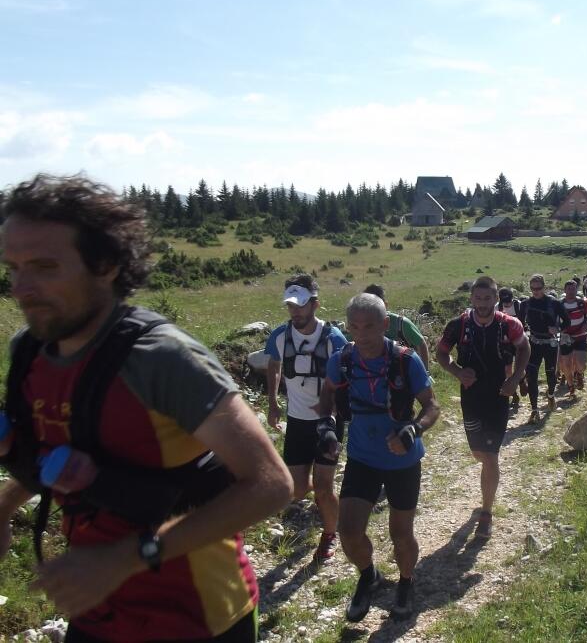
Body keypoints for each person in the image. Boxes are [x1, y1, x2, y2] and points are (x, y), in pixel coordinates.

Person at [0, 174, 292, 642]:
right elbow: (68, 446)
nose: (21, 288)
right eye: (13, 268)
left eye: (44, 266)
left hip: (198, 617)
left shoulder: (161, 360)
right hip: (95, 611)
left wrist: (124, 559)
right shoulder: (32, 352)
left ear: (106, 264)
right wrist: (8, 501)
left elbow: (271, 484)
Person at [317, 293, 439, 622]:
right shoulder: (342, 360)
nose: (362, 334)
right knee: (349, 531)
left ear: (385, 325)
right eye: (354, 326)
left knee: (401, 534)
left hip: (403, 460)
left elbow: (431, 406)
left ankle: (406, 581)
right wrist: (327, 428)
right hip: (362, 457)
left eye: (370, 326)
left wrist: (412, 431)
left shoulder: (405, 360)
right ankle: (369, 576)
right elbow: (328, 393)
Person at [436, 276, 529, 540]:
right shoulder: (458, 325)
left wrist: (515, 379)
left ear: (496, 299)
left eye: (488, 298)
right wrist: (456, 371)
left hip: (499, 396)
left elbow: (524, 348)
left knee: (489, 456)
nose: (483, 303)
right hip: (471, 398)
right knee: (478, 453)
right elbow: (441, 353)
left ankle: (486, 513)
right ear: (471, 299)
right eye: (478, 298)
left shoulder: (509, 324)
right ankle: (486, 491)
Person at [265, 275, 348, 563]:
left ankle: (329, 534)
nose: (295, 311)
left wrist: (336, 415)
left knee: (324, 489)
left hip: (328, 421)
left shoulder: (334, 338)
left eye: (300, 305)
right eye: (291, 306)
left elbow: (344, 379)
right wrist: (273, 402)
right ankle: (321, 492)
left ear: (315, 304)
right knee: (297, 489)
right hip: (297, 421)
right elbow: (274, 365)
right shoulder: (279, 336)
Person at [518, 275, 569, 422]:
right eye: (533, 288)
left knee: (550, 374)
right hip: (533, 342)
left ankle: (551, 395)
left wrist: (557, 328)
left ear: (544, 287)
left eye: (538, 288)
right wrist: (522, 335)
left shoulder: (554, 303)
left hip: (550, 343)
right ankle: (534, 410)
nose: (535, 291)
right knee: (531, 375)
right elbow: (519, 323)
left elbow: (567, 321)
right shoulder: (525, 304)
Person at [362, 283, 431, 367]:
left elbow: (421, 343)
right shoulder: (360, 327)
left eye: (376, 307)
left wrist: (425, 371)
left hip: (405, 370)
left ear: (385, 305)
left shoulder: (401, 324)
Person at [560, 279, 587, 394]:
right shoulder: (559, 304)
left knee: (581, 364)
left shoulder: (582, 303)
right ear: (565, 290)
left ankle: (579, 374)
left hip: (580, 336)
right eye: (569, 289)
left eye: (573, 289)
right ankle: (571, 386)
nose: (571, 291)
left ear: (576, 290)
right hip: (565, 337)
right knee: (566, 364)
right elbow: (552, 317)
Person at [496, 287, 524, 408]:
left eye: (509, 301)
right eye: (504, 301)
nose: (507, 303)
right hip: (504, 343)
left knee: (520, 365)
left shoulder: (519, 305)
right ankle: (514, 394)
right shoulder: (497, 308)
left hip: (519, 340)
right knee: (507, 370)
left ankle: (522, 381)